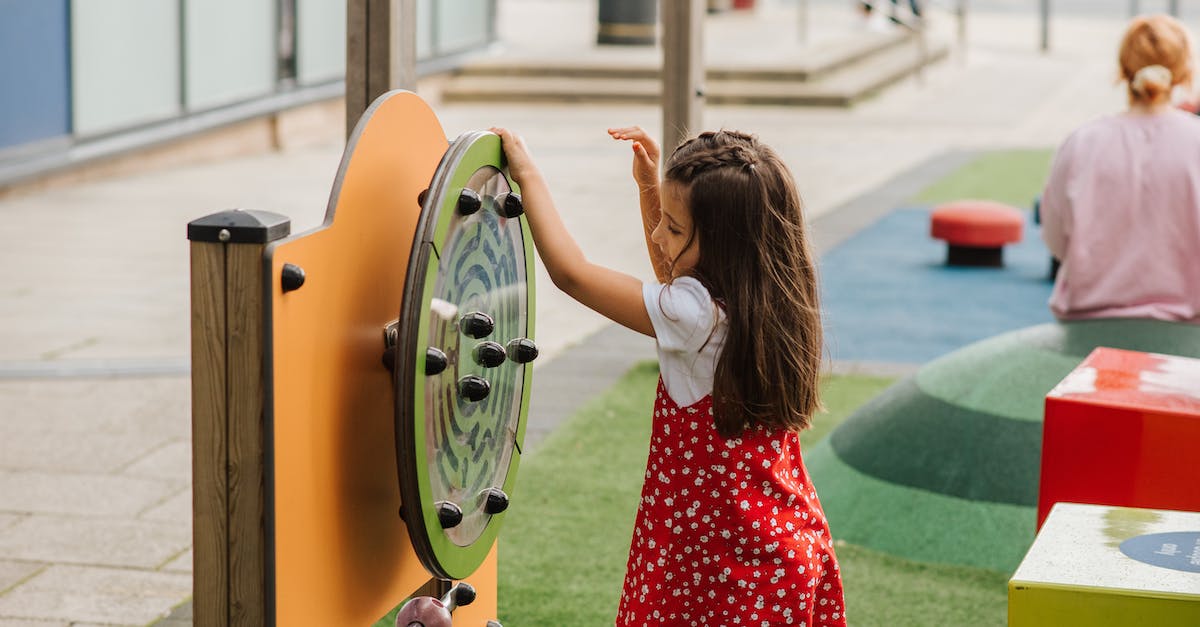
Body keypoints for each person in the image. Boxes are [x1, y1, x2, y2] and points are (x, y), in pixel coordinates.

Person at [490, 125, 846, 626]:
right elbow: (675, 276)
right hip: (782, 547)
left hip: (723, 570)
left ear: (724, 246)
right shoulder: (773, 299)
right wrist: (649, 189)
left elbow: (571, 273)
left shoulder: (694, 317)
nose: (659, 234)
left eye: (674, 229)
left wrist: (526, 174)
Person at [1039, 14, 1200, 324]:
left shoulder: (1082, 142)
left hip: (1089, 325)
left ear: (1124, 71)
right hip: (1187, 327)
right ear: (1184, 73)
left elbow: (1056, 241)